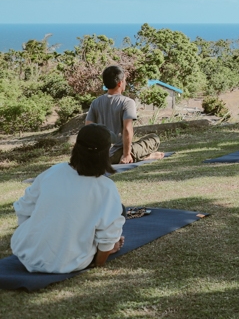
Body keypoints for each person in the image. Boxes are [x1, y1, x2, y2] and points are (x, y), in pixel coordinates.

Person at [11, 124, 126, 273]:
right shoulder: (106, 188)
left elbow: (24, 208)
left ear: (76, 148)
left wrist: (34, 240)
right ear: (105, 154)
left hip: (27, 255)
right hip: (70, 262)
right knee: (119, 211)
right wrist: (99, 262)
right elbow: (107, 237)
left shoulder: (53, 172)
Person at [85, 65, 163, 164]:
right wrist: (126, 155)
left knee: (134, 144)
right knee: (154, 138)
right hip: (117, 154)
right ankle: (142, 157)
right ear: (120, 83)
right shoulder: (127, 102)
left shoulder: (95, 102)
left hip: (101, 157)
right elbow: (127, 129)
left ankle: (134, 155)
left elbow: (87, 130)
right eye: (125, 80)